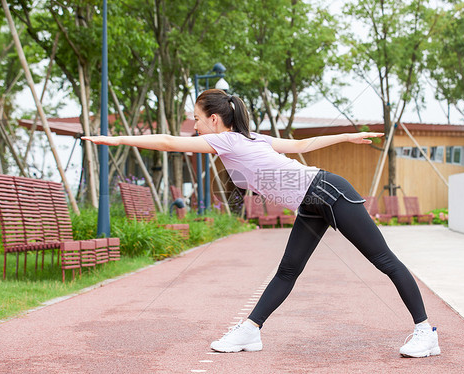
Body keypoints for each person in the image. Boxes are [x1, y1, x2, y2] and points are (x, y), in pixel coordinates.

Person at [82, 88, 441, 358]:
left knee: (384, 260)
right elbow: (302, 146)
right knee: (287, 271)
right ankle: (250, 331)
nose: (193, 125)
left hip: (328, 192)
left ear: (213, 120)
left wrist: (115, 139)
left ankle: (427, 332)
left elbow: (166, 142)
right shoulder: (245, 139)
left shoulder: (226, 139)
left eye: (196, 117)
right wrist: (345, 136)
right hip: (310, 204)